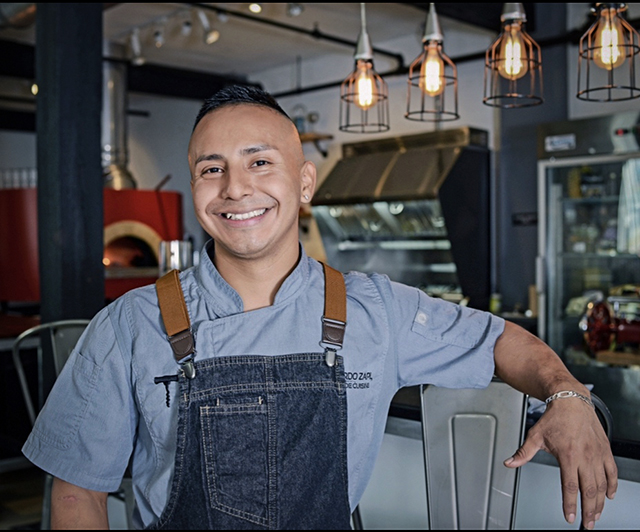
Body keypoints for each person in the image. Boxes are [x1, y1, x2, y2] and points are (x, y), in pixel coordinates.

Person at [23, 84, 617, 530]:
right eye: (213, 170)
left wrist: (567, 395)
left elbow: (498, 341)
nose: (236, 188)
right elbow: (77, 490)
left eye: (260, 162)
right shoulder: (131, 323)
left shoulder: (376, 310)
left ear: (304, 183)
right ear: (196, 186)